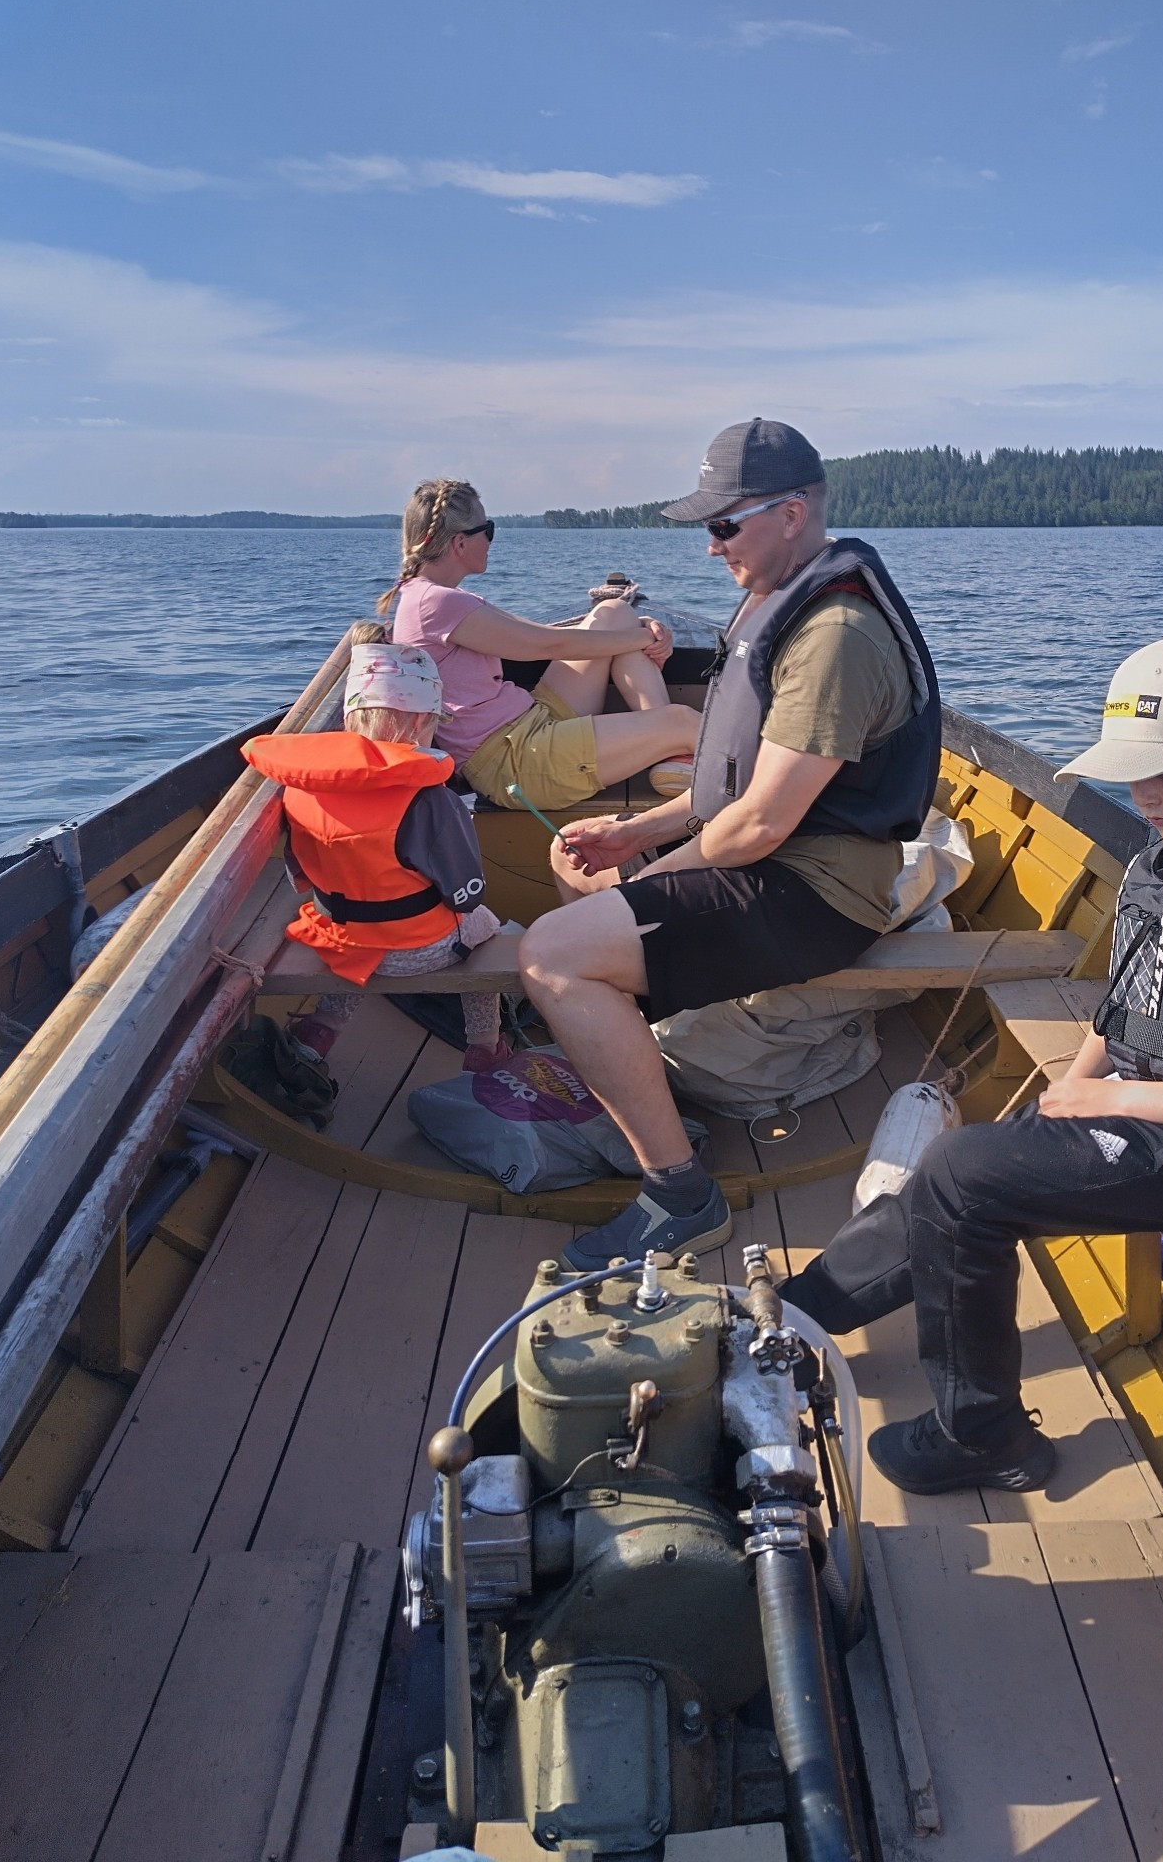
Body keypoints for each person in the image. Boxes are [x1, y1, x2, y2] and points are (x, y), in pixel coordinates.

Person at [778, 634, 1163, 1497]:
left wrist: (1111, 1099)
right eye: (1130, 773)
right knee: (955, 1176)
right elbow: (1132, 1003)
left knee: (962, 1175)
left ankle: (984, 1435)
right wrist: (1081, 1083)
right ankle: (797, 1315)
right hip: (1143, 1108)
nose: (1143, 796)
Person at [517, 418, 942, 1269]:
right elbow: (736, 790)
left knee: (552, 954)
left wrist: (644, 884)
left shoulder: (836, 638)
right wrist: (632, 833)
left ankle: (680, 1195)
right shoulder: (780, 602)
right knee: (582, 889)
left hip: (818, 895)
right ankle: (642, 1071)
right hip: (777, 866)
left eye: (723, 525)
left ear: (792, 515)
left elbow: (761, 823)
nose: (710, 549)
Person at [242, 636, 511, 1070]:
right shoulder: (428, 798)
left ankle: (324, 1025)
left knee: (360, 940)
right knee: (485, 927)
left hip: (336, 936)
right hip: (418, 950)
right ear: (423, 721)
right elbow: (465, 893)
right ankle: (485, 1043)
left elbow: (300, 871)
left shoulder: (300, 784)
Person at [380, 479, 697, 811]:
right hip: (515, 763)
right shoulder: (436, 602)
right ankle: (688, 743)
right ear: (460, 543)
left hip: (526, 724)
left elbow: (534, 632)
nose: (490, 540)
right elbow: (545, 645)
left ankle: (674, 755)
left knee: (615, 612)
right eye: (487, 529)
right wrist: (647, 637)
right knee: (684, 720)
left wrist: (635, 627)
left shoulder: (434, 597)